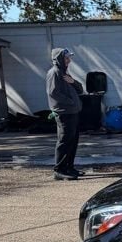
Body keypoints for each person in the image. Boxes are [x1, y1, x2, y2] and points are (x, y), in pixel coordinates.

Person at [46, 48, 83, 180]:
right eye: (66, 58)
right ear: (59, 59)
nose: (69, 60)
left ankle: (69, 167)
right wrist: (71, 101)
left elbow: (80, 89)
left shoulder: (65, 73)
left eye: (69, 57)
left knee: (73, 141)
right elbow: (53, 93)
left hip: (73, 112)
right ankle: (59, 170)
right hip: (64, 113)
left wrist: (73, 82)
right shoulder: (54, 73)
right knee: (64, 141)